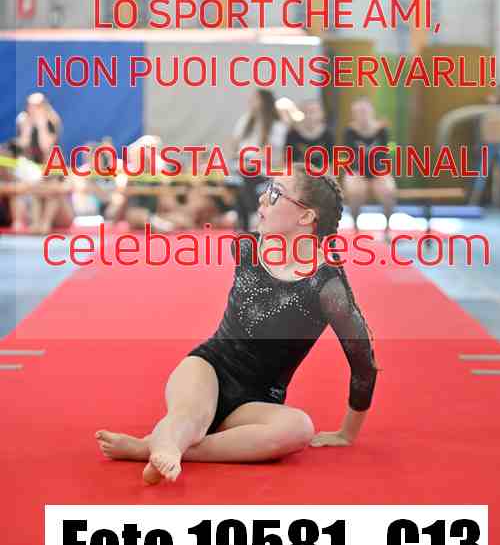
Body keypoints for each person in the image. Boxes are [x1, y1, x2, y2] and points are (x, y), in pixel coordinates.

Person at [95, 164, 378, 485]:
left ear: (306, 217)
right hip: (207, 369)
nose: (262, 199)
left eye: (275, 194)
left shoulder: (326, 285)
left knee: (299, 428)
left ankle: (154, 447)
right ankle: (169, 446)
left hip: (257, 403)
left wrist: (346, 433)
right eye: (266, 190)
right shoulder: (247, 248)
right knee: (190, 416)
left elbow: (363, 361)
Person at [14, 93, 74, 233]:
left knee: (51, 191)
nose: (34, 109)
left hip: (50, 166)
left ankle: (45, 222)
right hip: (33, 167)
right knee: (38, 191)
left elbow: (46, 146)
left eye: (38, 106)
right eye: (31, 105)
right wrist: (28, 127)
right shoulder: (23, 119)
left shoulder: (51, 120)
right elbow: (22, 145)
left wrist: (41, 125)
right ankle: (36, 223)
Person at [232, 88, 288, 229]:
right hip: (242, 164)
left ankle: (252, 216)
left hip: (264, 168)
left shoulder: (277, 125)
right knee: (238, 181)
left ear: (264, 102)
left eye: (255, 99)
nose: (250, 102)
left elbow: (274, 152)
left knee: (248, 176)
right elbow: (235, 143)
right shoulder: (245, 121)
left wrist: (252, 159)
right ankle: (245, 220)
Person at [342, 98, 396, 235]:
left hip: (378, 169)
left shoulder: (382, 130)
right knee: (355, 192)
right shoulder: (350, 131)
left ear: (372, 112)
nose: (362, 115)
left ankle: (387, 228)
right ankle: (355, 227)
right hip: (357, 170)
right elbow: (350, 157)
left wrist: (379, 174)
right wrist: (358, 176)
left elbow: (384, 154)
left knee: (388, 191)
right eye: (358, 112)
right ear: (354, 115)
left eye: (365, 111)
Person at [285, 99, 335, 167]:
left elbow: (331, 160)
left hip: (321, 171)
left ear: (321, 114)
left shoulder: (327, 134)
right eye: (305, 112)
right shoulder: (292, 134)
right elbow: (288, 160)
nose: (309, 116)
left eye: (313, 112)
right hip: (298, 170)